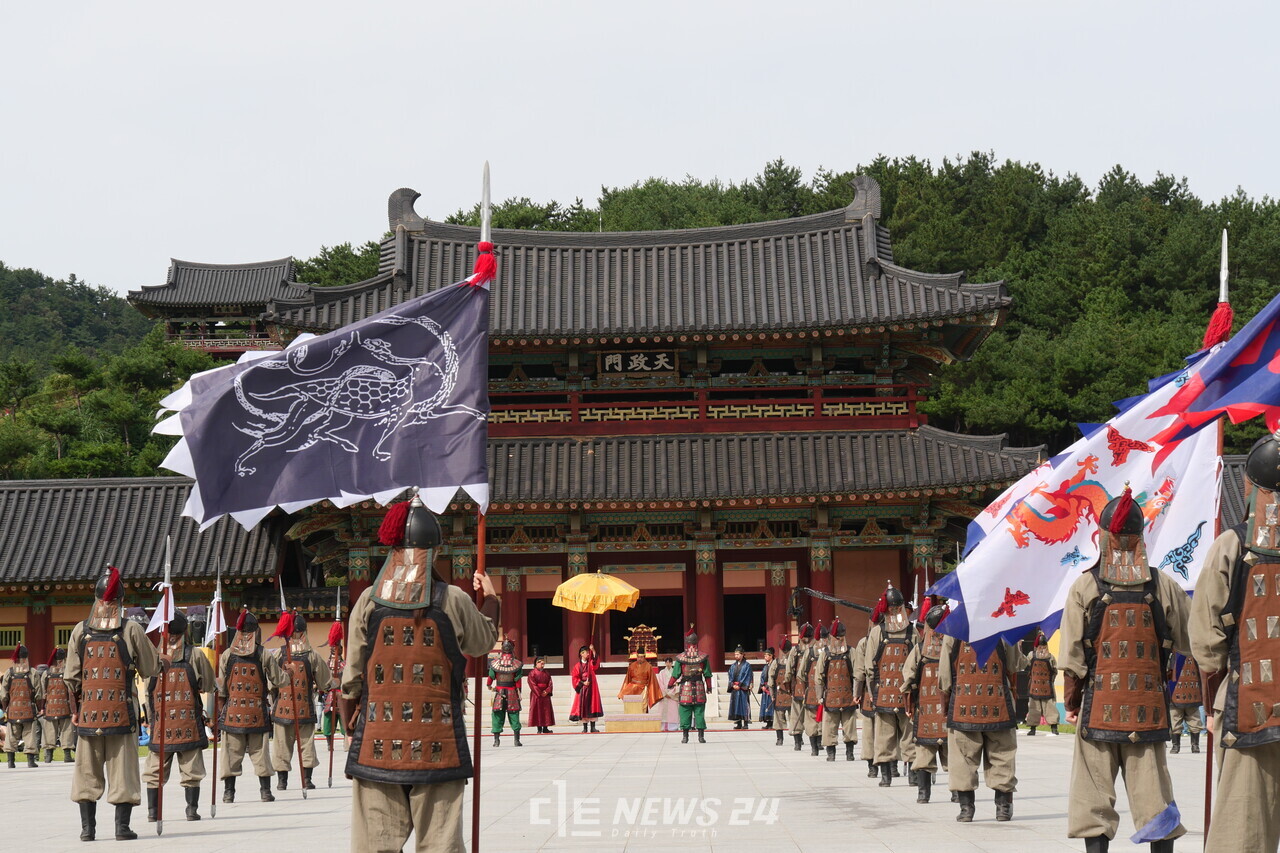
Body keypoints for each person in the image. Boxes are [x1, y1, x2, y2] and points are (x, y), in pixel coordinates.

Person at [338, 493, 500, 853]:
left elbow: (351, 678)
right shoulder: (453, 599)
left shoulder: (367, 600)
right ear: (436, 551)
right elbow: (482, 642)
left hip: (377, 740)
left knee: (374, 846)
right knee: (441, 846)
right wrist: (490, 599)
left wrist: (350, 728)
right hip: (437, 741)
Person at [1062, 487, 1189, 852]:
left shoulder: (1085, 585)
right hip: (1148, 707)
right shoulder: (1164, 585)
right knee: (1155, 796)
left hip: (1097, 707)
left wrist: (1072, 702)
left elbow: (1072, 656)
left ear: (1104, 536)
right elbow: (1190, 640)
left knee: (1093, 797)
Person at [1191, 432, 1280, 851]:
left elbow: (1206, 636)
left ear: (1250, 486)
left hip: (1248, 699)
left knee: (1244, 826)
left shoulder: (1231, 543)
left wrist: (1214, 690)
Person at [66, 566, 161, 841]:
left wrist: (76, 712)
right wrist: (161, 657)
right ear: (120, 601)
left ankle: (88, 830)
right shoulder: (131, 629)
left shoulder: (79, 631)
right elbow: (150, 667)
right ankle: (121, 829)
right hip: (123, 712)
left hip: (89, 714)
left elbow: (70, 678)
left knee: (86, 772)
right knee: (123, 773)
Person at [939, 634, 1024, 821]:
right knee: (1002, 755)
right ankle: (1003, 808)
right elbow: (1014, 665)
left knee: (962, 759)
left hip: (964, 703)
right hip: (998, 703)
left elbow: (945, 675)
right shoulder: (1004, 627)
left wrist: (946, 704)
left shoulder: (954, 630)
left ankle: (966, 809)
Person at [143, 608, 216, 822]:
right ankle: (191, 810)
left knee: (155, 772)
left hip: (161, 724)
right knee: (191, 771)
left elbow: (148, 691)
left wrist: (149, 719)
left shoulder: (153, 656)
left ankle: (152, 812)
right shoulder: (195, 655)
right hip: (188, 723)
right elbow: (209, 684)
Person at [217, 608, 286, 804]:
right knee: (260, 754)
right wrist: (286, 672)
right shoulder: (263, 654)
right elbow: (279, 680)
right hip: (257, 712)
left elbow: (222, 689)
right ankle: (265, 792)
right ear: (256, 631)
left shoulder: (227, 655)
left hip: (232, 712)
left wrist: (220, 713)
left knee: (230, 755)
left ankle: (228, 793)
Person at [861, 584, 916, 785]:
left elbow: (869, 668)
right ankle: (904, 775)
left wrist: (872, 691)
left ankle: (893, 776)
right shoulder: (909, 631)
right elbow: (870, 667)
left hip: (892, 692)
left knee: (890, 735)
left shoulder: (879, 632)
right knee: (901, 735)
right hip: (899, 691)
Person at [271, 612, 332, 790]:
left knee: (281, 745)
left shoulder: (277, 655)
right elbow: (324, 682)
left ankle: (282, 782)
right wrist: (332, 683)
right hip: (304, 707)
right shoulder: (312, 656)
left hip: (282, 707)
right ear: (304, 631)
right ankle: (306, 780)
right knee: (306, 744)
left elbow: (271, 682)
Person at [902, 600, 949, 803]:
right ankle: (957, 793)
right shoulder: (953, 647)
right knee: (953, 754)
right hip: (948, 709)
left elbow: (907, 678)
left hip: (926, 709)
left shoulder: (920, 649)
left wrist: (908, 703)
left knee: (924, 753)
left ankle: (924, 794)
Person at [816, 620, 859, 762]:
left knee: (847, 726)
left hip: (847, 696)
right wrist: (820, 695)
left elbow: (857, 674)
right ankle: (832, 752)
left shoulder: (851, 651)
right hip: (833, 696)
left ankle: (848, 752)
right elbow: (819, 676)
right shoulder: (826, 654)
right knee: (831, 727)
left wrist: (856, 693)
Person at [670, 628, 713, 743]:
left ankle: (685, 737)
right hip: (699, 687)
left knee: (685, 711)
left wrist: (670, 684)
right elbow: (707, 674)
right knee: (699, 712)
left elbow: (676, 674)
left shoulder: (681, 658)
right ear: (697, 642)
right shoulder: (703, 657)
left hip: (686, 689)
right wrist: (709, 687)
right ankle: (701, 736)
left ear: (687, 643)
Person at [1, 644, 38, 768]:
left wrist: (5, 708)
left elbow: (4, 693)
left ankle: (11, 761)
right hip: (28, 708)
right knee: (29, 735)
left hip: (13, 709)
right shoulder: (32, 672)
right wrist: (39, 707)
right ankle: (30, 761)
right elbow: (39, 693)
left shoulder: (9, 673)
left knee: (12, 735)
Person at [38, 646, 76, 763]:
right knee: (66, 730)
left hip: (50, 706)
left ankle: (48, 756)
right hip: (65, 706)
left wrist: (42, 707)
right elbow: (72, 690)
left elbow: (43, 692)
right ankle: (67, 755)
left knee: (50, 731)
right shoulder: (67, 671)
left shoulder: (46, 673)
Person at [488, 639, 524, 746]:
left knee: (497, 715)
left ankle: (496, 740)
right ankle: (516, 740)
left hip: (499, 691)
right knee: (514, 714)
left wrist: (490, 686)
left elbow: (490, 677)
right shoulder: (516, 663)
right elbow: (518, 680)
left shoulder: (495, 663)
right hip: (512, 691)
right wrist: (519, 693)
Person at [1025, 629, 1060, 736]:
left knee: (1035, 707)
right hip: (1046, 686)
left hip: (1035, 685)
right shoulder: (1051, 656)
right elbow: (1055, 670)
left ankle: (1033, 729)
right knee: (1048, 707)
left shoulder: (1031, 655)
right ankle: (1053, 728)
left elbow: (1027, 665)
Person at [1166, 655, 1202, 754]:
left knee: (1178, 720)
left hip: (1180, 691)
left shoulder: (1174, 651)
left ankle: (1179, 746)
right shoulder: (1195, 651)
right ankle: (1191, 746)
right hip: (1189, 691)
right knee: (1191, 720)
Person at [787, 624, 814, 751]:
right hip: (813, 687)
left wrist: (788, 686)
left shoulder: (795, 650)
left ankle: (797, 742)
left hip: (798, 686)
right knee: (812, 716)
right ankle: (816, 742)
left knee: (796, 714)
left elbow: (789, 670)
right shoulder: (816, 649)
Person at [569, 644, 603, 732]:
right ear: (581, 654)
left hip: (591, 687)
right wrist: (583, 683)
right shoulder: (577, 666)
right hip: (583, 688)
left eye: (588, 652)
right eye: (586, 652)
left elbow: (596, 664)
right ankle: (584, 727)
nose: (588, 654)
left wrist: (593, 650)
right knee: (583, 707)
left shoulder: (590, 663)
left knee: (592, 706)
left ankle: (593, 727)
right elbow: (575, 678)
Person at [768, 639, 793, 744]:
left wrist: (772, 694)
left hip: (789, 693)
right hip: (782, 693)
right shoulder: (777, 662)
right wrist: (772, 694)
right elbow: (771, 680)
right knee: (784, 717)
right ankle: (795, 740)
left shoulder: (776, 662)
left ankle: (782, 739)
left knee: (790, 718)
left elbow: (770, 680)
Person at [726, 646, 753, 729]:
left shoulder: (747, 665)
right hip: (735, 688)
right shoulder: (733, 666)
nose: (736, 656)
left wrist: (740, 685)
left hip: (742, 689)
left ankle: (745, 723)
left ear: (742, 655)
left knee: (744, 705)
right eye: (735, 654)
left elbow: (748, 676)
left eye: (737, 654)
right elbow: (730, 675)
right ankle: (738, 723)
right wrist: (732, 684)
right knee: (735, 705)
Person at [527, 657, 555, 734]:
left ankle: (545, 727)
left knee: (546, 711)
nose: (542, 665)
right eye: (541, 663)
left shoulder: (546, 673)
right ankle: (539, 728)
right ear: (536, 663)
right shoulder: (532, 673)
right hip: (536, 695)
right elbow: (532, 684)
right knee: (538, 710)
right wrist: (539, 692)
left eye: (543, 663)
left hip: (545, 694)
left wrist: (547, 691)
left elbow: (550, 683)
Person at [757, 647, 776, 730]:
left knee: (770, 705)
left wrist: (768, 686)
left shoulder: (774, 665)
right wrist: (762, 686)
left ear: (771, 656)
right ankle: (768, 722)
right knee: (766, 705)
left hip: (771, 688)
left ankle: (772, 722)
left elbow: (774, 677)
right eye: (764, 656)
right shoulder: (765, 667)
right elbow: (762, 677)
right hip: (765, 688)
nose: (765, 657)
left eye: (766, 656)